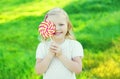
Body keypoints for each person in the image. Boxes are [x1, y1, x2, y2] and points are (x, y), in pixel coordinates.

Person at [35, 8, 84, 79]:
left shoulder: (74, 45)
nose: (57, 28)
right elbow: (38, 71)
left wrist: (60, 55)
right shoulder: (42, 46)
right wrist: (49, 55)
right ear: (47, 27)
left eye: (61, 24)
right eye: (53, 25)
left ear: (68, 26)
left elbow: (78, 70)